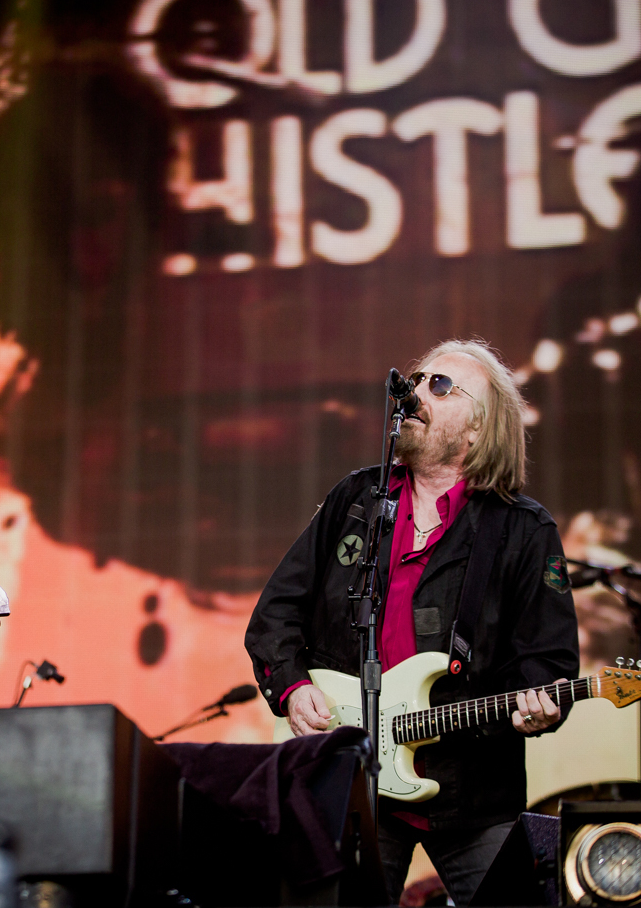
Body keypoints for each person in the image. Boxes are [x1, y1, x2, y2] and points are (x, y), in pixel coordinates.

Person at [245, 339, 579, 906]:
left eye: (440, 385)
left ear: (477, 429)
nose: (416, 392)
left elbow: (547, 660)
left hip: (473, 790)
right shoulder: (357, 499)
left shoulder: (524, 529)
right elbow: (277, 611)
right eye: (418, 379)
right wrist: (294, 688)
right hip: (353, 780)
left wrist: (541, 706)